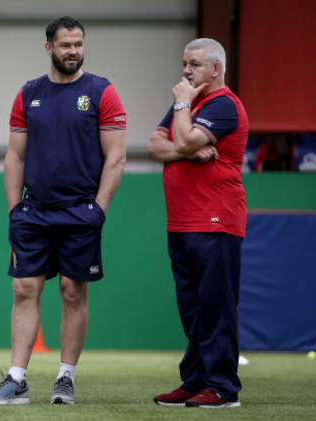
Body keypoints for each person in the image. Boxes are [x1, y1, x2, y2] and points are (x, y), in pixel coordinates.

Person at [0, 16, 127, 405]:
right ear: (50, 48)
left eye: (78, 44)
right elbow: (14, 157)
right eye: (65, 45)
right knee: (24, 287)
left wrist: (99, 208)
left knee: (72, 291)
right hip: (34, 213)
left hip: (81, 212)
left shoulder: (102, 92)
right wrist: (15, 211)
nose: (73, 51)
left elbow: (117, 157)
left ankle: (65, 379)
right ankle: (17, 380)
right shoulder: (29, 94)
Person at [146, 38, 248, 408]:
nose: (186, 71)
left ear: (216, 69)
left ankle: (223, 388)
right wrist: (186, 148)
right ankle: (195, 381)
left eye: (194, 64)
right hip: (183, 222)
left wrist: (183, 120)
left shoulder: (222, 105)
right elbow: (155, 145)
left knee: (216, 306)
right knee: (192, 308)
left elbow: (184, 136)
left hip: (215, 220)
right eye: (184, 64)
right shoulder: (188, 106)